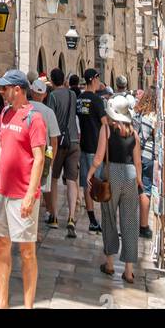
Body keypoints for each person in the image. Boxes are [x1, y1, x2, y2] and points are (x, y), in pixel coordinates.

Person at [0, 70, 47, 310]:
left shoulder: (34, 119)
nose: (1, 92)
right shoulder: (5, 113)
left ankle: (28, 305)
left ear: (18, 90)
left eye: (5, 88)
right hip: (1, 192)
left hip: (22, 194)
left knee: (26, 251)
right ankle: (2, 302)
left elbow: (39, 159)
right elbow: (2, 148)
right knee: (2, 246)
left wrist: (29, 196)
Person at [92, 93, 142, 284]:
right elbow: (137, 162)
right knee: (130, 222)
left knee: (109, 217)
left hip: (111, 172)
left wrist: (89, 174)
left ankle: (110, 263)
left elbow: (98, 157)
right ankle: (129, 271)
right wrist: (139, 181)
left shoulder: (106, 130)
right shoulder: (134, 133)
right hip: (130, 175)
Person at [47, 66, 80, 237]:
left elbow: (51, 118)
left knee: (54, 178)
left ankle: (53, 216)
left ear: (52, 81)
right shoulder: (72, 94)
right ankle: (71, 217)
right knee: (72, 180)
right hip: (74, 140)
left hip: (58, 141)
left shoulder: (52, 96)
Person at [75, 68, 108, 234]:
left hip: (83, 145)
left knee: (86, 185)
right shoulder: (96, 100)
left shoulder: (79, 99)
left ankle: (92, 220)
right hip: (96, 146)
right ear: (94, 79)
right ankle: (103, 219)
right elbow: (104, 123)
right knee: (100, 183)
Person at [28, 77, 60, 223]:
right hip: (41, 153)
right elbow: (53, 139)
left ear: (31, 91)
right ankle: (33, 225)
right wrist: (51, 160)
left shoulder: (24, 107)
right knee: (38, 190)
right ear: (45, 94)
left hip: (24, 152)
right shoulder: (48, 112)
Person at [133, 88, 157, 240]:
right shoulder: (150, 117)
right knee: (144, 190)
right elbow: (142, 139)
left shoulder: (137, 114)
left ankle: (132, 222)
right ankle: (143, 226)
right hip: (145, 156)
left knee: (135, 188)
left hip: (135, 156)